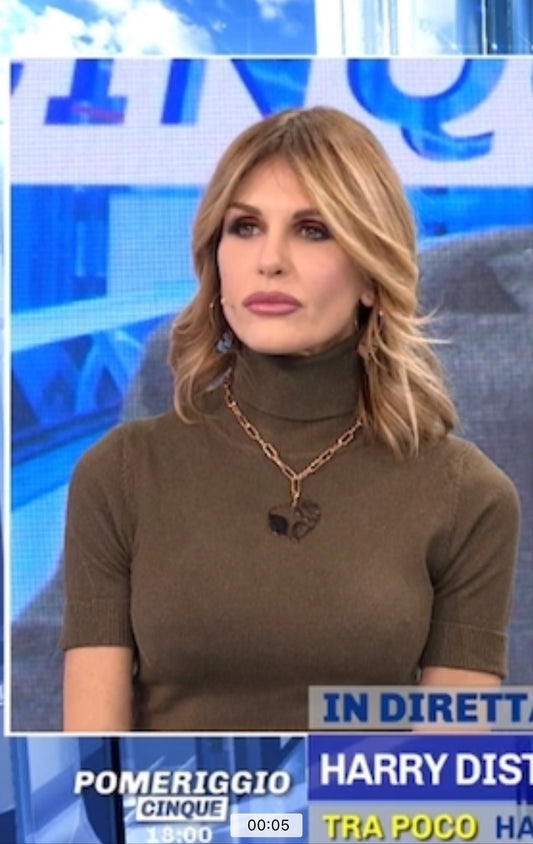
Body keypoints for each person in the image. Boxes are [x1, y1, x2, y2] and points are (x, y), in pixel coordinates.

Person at [61, 106, 520, 732]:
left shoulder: (469, 496)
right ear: (215, 259)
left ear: (371, 274)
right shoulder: (120, 474)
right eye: (245, 227)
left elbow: (444, 768)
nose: (270, 260)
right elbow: (95, 762)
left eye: (313, 230)